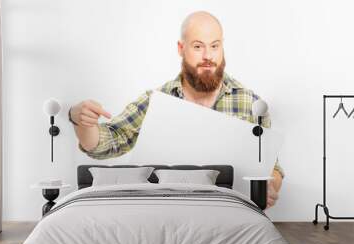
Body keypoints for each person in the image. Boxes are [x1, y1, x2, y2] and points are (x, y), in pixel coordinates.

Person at [69, 11, 284, 209]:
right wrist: (81, 122)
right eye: (198, 46)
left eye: (215, 46)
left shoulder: (251, 104)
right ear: (181, 49)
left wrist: (271, 186)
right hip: (165, 212)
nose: (208, 56)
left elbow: (272, 168)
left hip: (229, 213)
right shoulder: (155, 101)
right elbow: (107, 142)